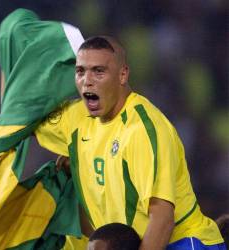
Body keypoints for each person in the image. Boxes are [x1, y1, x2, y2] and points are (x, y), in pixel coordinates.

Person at [35, 36, 225, 249]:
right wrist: (11, 47)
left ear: (122, 75)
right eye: (81, 71)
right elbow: (19, 115)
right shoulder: (76, 118)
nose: (87, 80)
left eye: (99, 71)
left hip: (180, 243)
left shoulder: (142, 129)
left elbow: (162, 219)